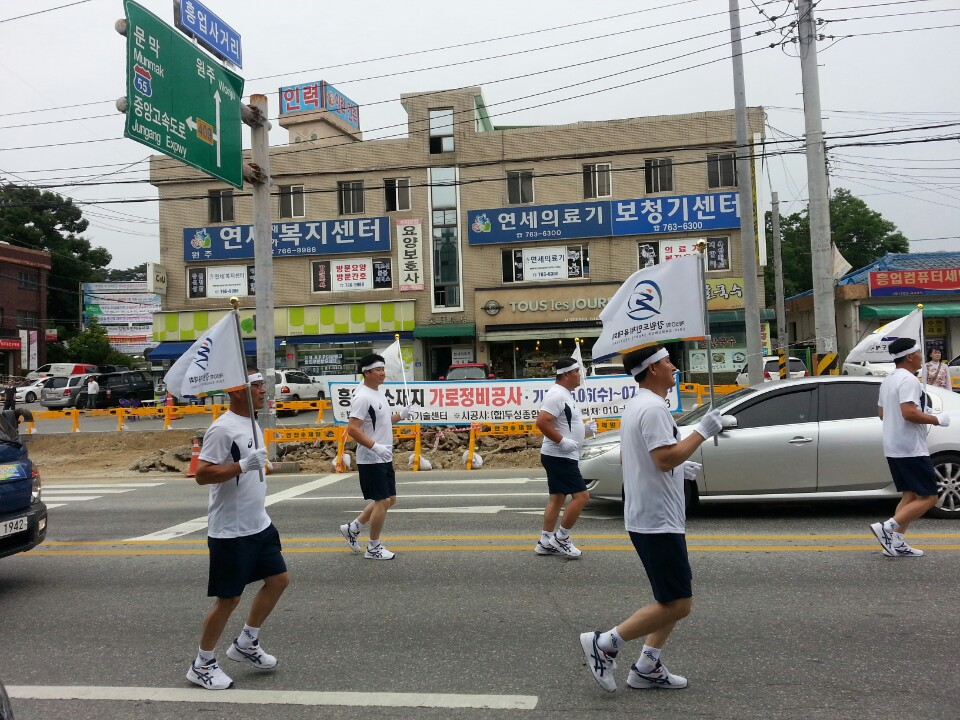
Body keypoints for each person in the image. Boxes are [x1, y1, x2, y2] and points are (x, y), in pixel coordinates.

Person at [579, 345, 722, 693]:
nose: (674, 367)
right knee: (679, 603)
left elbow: (640, 457)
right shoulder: (654, 408)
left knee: (671, 599)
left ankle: (647, 666)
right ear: (653, 369)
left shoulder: (639, 404)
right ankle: (605, 643)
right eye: (667, 362)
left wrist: (680, 470)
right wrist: (702, 432)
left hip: (652, 515)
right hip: (656, 519)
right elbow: (663, 459)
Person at [186, 369, 289, 691]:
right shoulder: (223, 428)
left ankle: (246, 642)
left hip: (259, 523)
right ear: (235, 391)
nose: (262, 389)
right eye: (255, 385)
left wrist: (254, 465)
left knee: (279, 580)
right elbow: (202, 474)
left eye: (261, 384)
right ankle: (202, 664)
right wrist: (243, 465)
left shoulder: (252, 422)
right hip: (231, 531)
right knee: (229, 599)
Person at [870, 338, 951, 558]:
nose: (922, 357)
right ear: (909, 356)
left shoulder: (888, 380)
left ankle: (896, 543)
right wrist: (936, 419)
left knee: (910, 496)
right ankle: (887, 528)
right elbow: (909, 412)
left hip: (894, 446)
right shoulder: (909, 380)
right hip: (910, 448)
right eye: (919, 353)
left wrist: (911, 416)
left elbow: (882, 413)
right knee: (929, 497)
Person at [339, 353, 412, 560]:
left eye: (383, 369)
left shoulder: (377, 393)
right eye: (378, 370)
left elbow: (382, 421)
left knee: (390, 500)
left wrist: (401, 415)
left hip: (384, 456)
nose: (382, 373)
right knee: (382, 501)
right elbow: (353, 428)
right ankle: (374, 547)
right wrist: (375, 446)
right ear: (367, 373)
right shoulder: (362, 397)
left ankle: (353, 527)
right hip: (371, 457)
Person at [534, 357, 597, 557]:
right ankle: (561, 538)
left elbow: (565, 424)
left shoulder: (566, 394)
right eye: (577, 371)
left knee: (557, 498)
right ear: (566, 374)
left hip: (561, 455)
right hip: (559, 455)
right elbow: (542, 422)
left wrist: (585, 430)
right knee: (582, 497)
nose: (580, 375)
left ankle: (545, 541)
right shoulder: (556, 395)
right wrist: (561, 441)